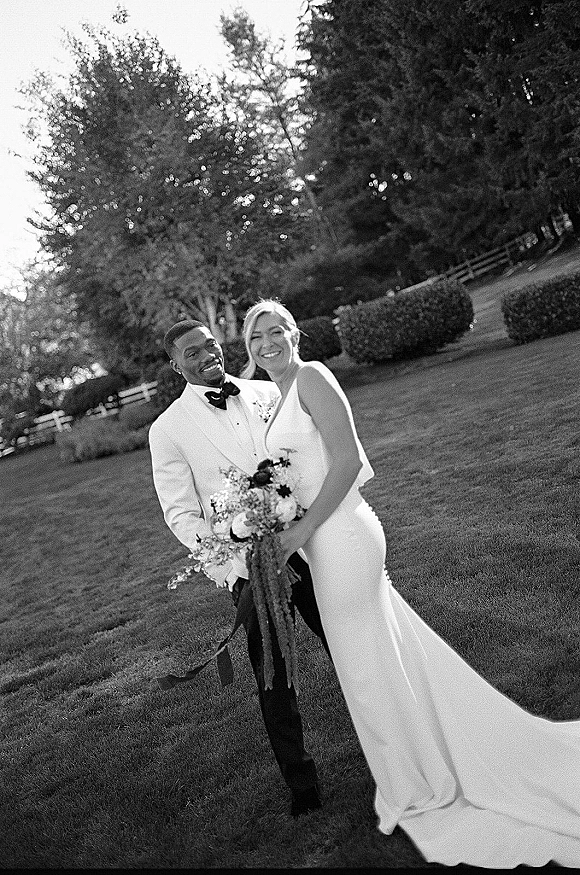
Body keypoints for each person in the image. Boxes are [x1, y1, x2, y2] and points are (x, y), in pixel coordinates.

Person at [242, 298, 580, 869]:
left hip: (343, 537)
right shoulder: (277, 396)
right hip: (323, 543)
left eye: (277, 331)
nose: (267, 342)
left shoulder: (314, 378)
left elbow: (348, 463)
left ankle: (417, 782)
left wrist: (298, 531)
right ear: (248, 349)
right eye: (256, 337)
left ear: (296, 334)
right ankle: (417, 763)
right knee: (377, 658)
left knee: (366, 664)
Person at [148, 319, 330, 818]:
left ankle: (390, 745)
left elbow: (298, 457)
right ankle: (302, 784)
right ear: (175, 364)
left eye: (209, 345)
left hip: (310, 549)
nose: (206, 355)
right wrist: (228, 548)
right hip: (249, 568)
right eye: (191, 351)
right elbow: (180, 512)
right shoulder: (167, 429)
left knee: (347, 646)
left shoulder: (265, 391)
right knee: (274, 677)